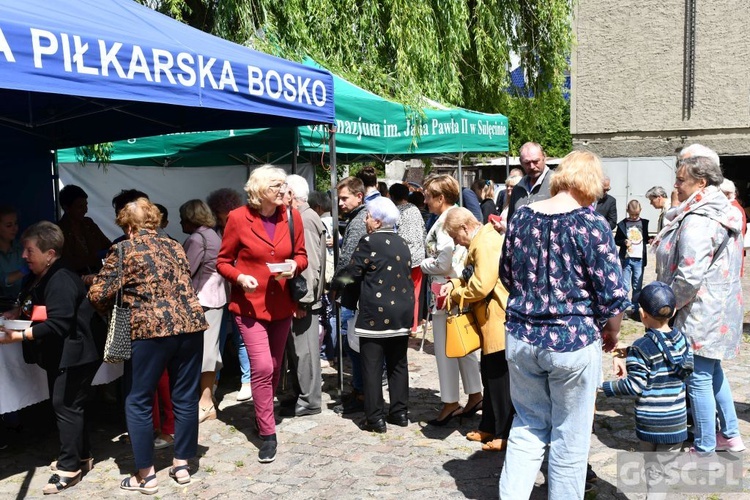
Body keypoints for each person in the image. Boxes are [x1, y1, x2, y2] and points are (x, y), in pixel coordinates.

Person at [498, 150, 627, 499]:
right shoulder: (590, 224)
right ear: (590, 182)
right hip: (573, 339)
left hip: (522, 337)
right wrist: (612, 332)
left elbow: (506, 275)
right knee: (569, 438)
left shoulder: (522, 217)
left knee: (527, 427)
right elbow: (613, 291)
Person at [88, 198, 207, 493]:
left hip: (150, 330)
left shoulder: (124, 248)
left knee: (138, 400)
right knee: (185, 397)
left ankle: (146, 475)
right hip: (190, 325)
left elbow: (98, 294)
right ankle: (181, 466)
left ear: (128, 226)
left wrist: (94, 286)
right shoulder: (175, 245)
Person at [653, 154, 746, 455]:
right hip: (715, 308)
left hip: (700, 311)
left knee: (699, 378)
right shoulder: (720, 211)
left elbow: (690, 275)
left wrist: (667, 307)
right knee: (712, 372)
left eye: (681, 180)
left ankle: (705, 445)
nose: (675, 185)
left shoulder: (699, 219)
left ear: (701, 183)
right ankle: (730, 434)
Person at [0, 222, 102, 495]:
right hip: (65, 354)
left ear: (50, 253)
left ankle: (69, 468)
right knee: (69, 406)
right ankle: (82, 457)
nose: (24, 255)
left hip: (77, 355)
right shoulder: (43, 275)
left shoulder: (60, 279)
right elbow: (36, 305)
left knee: (66, 406)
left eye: (29, 250)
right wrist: (15, 311)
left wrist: (18, 337)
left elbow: (59, 323)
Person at [216, 165, 307, 463]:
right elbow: (223, 261)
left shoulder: (291, 216)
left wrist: (296, 266)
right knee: (263, 367)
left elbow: (301, 254)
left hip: (281, 304)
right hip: (249, 306)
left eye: (284, 185)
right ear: (258, 190)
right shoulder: (238, 218)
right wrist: (240, 278)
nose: (283, 191)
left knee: (275, 366)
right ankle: (267, 432)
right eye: (276, 186)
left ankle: (261, 412)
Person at [601, 282, 693, 497]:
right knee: (661, 475)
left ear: (642, 314)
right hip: (675, 423)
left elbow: (635, 386)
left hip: (650, 423)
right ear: (674, 311)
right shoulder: (683, 341)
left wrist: (607, 387)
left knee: (652, 472)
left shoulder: (642, 347)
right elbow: (687, 371)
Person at [332, 197, 414, 433]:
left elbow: (354, 273)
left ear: (377, 221)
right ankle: (399, 413)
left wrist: (334, 283)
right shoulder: (402, 242)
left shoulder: (369, 242)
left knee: (372, 365)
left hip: (376, 313)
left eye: (368, 216)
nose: (366, 220)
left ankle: (375, 418)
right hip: (402, 312)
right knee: (398, 363)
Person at [440, 208, 513, 452]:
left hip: (497, 316)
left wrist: (457, 293)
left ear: (464, 228)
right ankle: (489, 425)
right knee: (490, 374)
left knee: (499, 377)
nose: (454, 241)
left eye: (454, 235)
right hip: (488, 317)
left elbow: (481, 286)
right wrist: (454, 283)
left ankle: (504, 432)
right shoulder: (482, 239)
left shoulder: (486, 242)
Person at [420, 174, 483, 425]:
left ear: (440, 198)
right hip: (455, 289)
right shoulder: (455, 215)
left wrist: (422, 264)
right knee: (462, 346)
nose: (425, 201)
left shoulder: (447, 220)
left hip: (445, 291)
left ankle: (450, 401)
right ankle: (475, 393)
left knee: (446, 350)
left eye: (428, 196)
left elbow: (444, 261)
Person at [280, 175, 326, 418]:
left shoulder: (305, 219)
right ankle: (302, 396)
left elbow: (310, 265)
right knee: (299, 352)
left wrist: (303, 300)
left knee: (305, 352)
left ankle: (309, 400)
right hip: (301, 298)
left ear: (293, 196)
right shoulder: (304, 217)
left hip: (304, 299)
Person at [179, 199, 226, 423]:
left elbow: (184, 272)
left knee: (205, 354)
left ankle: (205, 403)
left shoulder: (197, 239)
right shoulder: (214, 235)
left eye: (182, 218)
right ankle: (207, 399)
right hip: (216, 299)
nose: (180, 224)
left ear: (190, 218)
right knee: (210, 351)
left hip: (202, 300)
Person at [206, 188, 252, 402]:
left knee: (242, 337)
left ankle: (247, 381)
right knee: (217, 340)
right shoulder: (213, 231)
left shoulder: (244, 226)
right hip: (218, 292)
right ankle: (212, 384)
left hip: (240, 289)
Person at [333, 176, 368, 413]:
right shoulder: (357, 218)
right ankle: (359, 390)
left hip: (354, 293)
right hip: (357, 291)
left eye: (345, 198)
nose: (341, 203)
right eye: (339, 199)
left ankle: (360, 392)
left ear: (359, 196)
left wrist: (336, 285)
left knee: (354, 345)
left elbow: (349, 262)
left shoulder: (357, 223)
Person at [388, 182, 426, 333]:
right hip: (418, 255)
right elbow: (423, 231)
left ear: (392, 196)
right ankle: (414, 326)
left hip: (402, 257)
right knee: (415, 292)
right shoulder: (415, 209)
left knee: (402, 292)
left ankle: (404, 323)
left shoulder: (395, 213)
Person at [57, 184, 112, 276]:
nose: (85, 210)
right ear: (66, 208)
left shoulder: (88, 224)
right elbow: (66, 263)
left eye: (86, 205)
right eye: (80, 206)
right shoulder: (58, 231)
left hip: (96, 277)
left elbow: (108, 245)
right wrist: (93, 257)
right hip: (73, 281)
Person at [614, 200, 649, 320]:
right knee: (624, 285)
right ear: (627, 211)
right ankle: (623, 308)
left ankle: (635, 308)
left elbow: (646, 238)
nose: (634, 217)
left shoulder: (644, 223)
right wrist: (624, 242)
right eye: (632, 214)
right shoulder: (622, 224)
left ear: (640, 211)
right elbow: (616, 240)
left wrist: (651, 240)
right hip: (626, 259)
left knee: (637, 285)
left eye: (636, 214)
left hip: (639, 258)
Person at [506, 142, 553, 222]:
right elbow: (511, 223)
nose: (532, 166)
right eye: (527, 163)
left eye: (535, 161)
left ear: (544, 158)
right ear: (521, 162)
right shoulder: (517, 189)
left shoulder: (557, 182)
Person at [0, 205, 27, 306]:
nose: (14, 228)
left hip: (20, 304)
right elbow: (2, 281)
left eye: (16, 224)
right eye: (8, 225)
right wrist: (25, 270)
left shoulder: (22, 247)